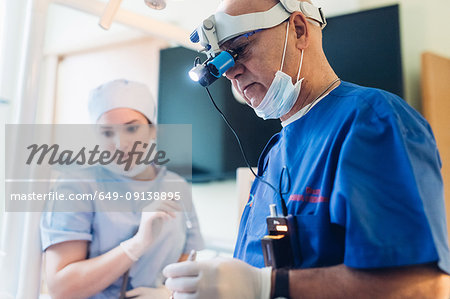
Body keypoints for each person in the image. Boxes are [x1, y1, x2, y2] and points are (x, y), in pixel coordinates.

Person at [162, 0, 450, 298]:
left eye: (239, 50)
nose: (231, 73)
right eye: (222, 63)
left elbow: (422, 286)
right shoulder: (273, 156)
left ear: (299, 31)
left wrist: (264, 286)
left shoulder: (373, 121)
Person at [40, 79, 203, 299]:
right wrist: (137, 244)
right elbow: (62, 288)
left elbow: (188, 257)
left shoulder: (177, 186)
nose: (121, 144)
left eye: (132, 128)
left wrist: (169, 293)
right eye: (107, 133)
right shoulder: (75, 188)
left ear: (153, 130)